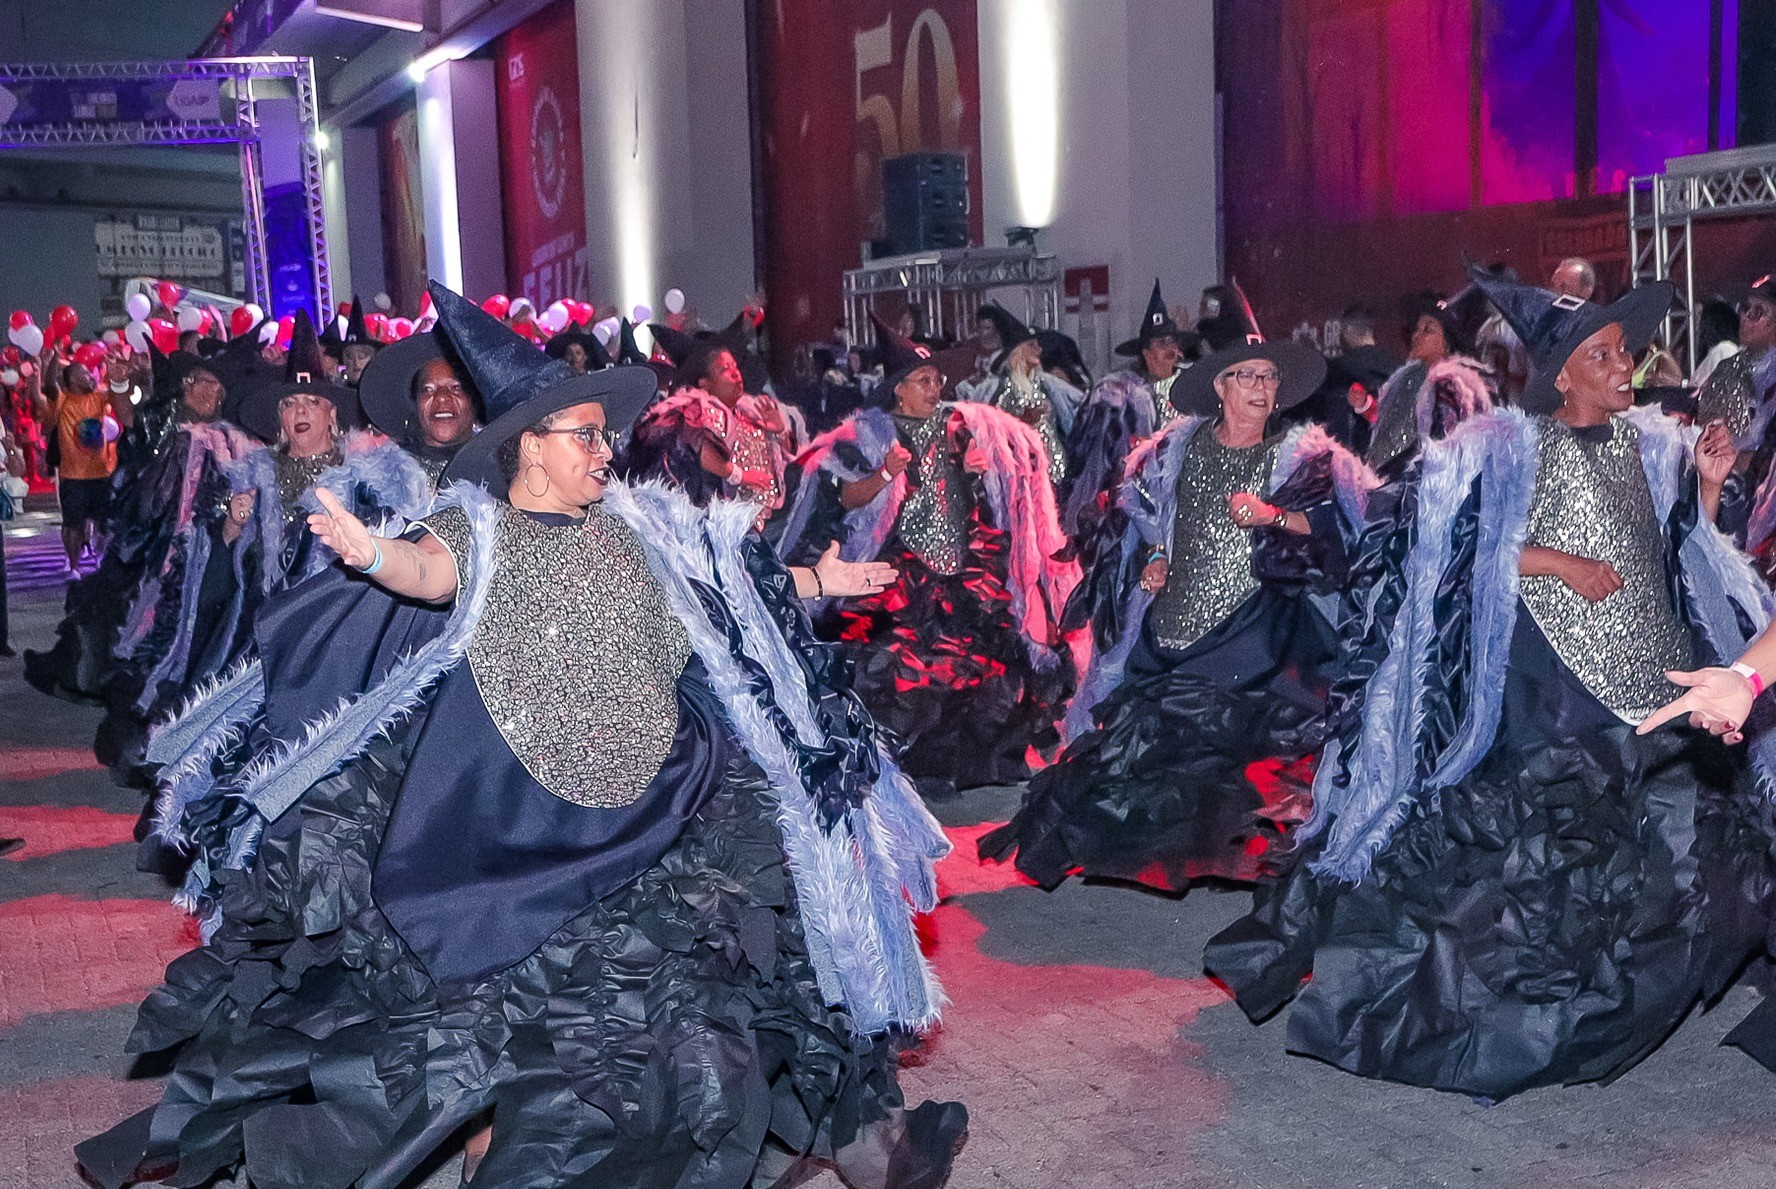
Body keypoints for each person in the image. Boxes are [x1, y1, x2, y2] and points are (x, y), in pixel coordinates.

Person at [84, 283, 965, 1189]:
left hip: (668, 800)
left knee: (754, 958)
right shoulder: (482, 530)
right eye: (583, 434)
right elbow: (428, 574)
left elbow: (720, 599)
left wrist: (814, 582)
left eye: (602, 435)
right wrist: (368, 551)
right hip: (535, 830)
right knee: (512, 1027)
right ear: (528, 449)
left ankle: (849, 1134)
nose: (603, 451)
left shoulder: (637, 531)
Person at [1202, 272, 1776, 1102]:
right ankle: (1493, 1019)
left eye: (1625, 351)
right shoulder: (1508, 450)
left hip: (1652, 674)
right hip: (1553, 690)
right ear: (1564, 376)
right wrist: (1561, 563)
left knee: (1679, 853)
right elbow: (1446, 552)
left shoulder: (1651, 445)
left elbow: (1673, 545)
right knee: (1548, 867)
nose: (1627, 367)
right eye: (1604, 355)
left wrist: (1711, 486)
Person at [981, 337, 1374, 891]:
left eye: (1269, 378)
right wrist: (1157, 559)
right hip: (1172, 621)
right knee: (1143, 740)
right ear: (1219, 387)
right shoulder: (1172, 451)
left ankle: (1243, 855)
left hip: (1256, 624)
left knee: (1237, 742)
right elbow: (1146, 517)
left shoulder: (1307, 457)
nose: (1262, 389)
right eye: (1248, 377)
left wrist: (1275, 516)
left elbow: (1344, 527)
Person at [777, 316, 1079, 795]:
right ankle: (894, 769)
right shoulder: (869, 435)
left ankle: (962, 764)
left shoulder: (963, 427)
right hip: (902, 571)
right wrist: (885, 474)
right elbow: (844, 498)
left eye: (938, 378)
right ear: (898, 389)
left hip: (963, 570)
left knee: (986, 665)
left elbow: (983, 487)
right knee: (902, 673)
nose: (936, 386)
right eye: (924, 379)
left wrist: (982, 471)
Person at [623, 324, 796, 529]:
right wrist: (741, 475)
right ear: (704, 383)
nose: (735, 374)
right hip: (726, 525)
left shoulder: (751, 412)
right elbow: (696, 446)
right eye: (724, 369)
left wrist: (779, 431)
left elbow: (787, 465)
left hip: (771, 521)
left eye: (734, 367)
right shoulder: (697, 410)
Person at [1364, 294, 1490, 478]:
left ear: (1446, 344)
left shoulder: (1452, 387)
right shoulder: (1405, 378)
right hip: (1386, 480)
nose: (1417, 335)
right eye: (1417, 328)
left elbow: (1444, 447)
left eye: (1428, 330)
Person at [40, 342, 131, 569]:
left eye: (90, 373)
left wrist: (118, 374)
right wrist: (54, 358)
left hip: (100, 474)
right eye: (83, 373)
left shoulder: (99, 398)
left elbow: (121, 401)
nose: (90, 375)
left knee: (104, 523)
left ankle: (100, 559)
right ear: (71, 380)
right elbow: (49, 383)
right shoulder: (62, 401)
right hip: (73, 477)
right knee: (74, 525)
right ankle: (73, 566)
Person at [356, 328, 484, 482]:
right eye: (428, 389)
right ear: (415, 403)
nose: (442, 397)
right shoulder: (378, 478)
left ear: (474, 401)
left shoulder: (502, 475)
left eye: (456, 388)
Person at [970, 302, 1078, 485]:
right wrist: (1023, 421)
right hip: (1023, 477)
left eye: (1038, 345)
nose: (1039, 350)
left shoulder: (1046, 385)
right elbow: (996, 433)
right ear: (1018, 352)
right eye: (1031, 345)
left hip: (1053, 475)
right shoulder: (1003, 390)